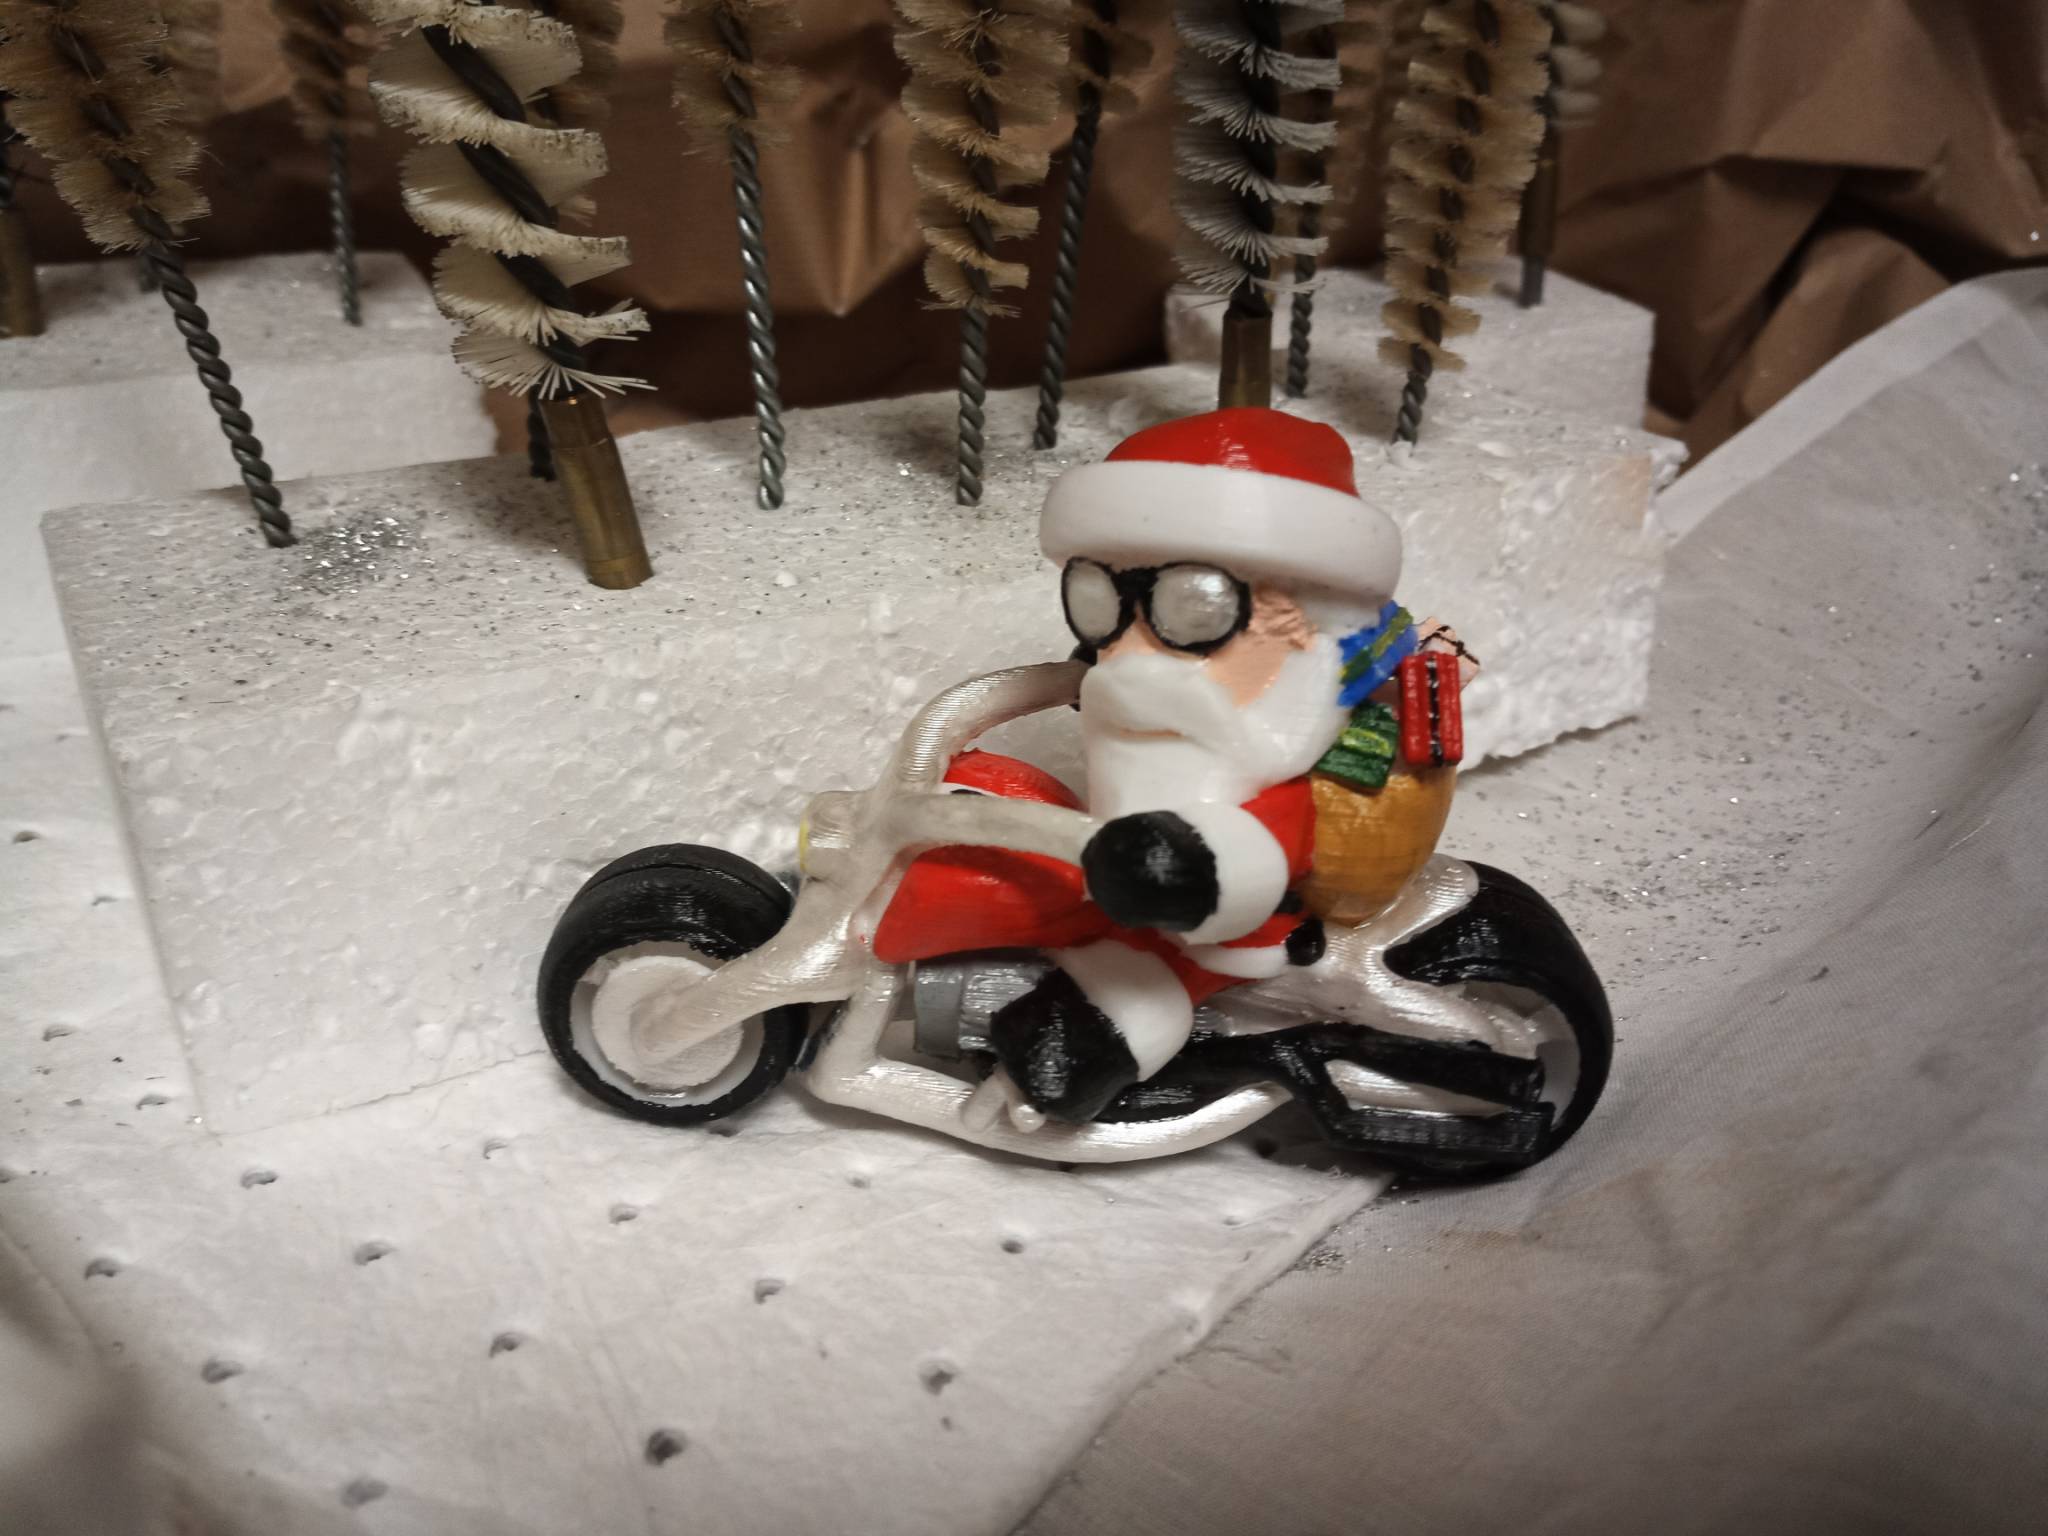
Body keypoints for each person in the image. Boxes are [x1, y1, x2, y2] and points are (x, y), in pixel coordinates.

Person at [872, 406, 1471, 1122]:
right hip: (1104, 868)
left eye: (1197, 608)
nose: (1131, 659)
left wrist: (1179, 866)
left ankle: (1090, 1080)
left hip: (1224, 933)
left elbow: (1252, 849)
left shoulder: (1287, 764)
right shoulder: (1147, 701)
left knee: (1087, 1029)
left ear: (1306, 631)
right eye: (1100, 603)